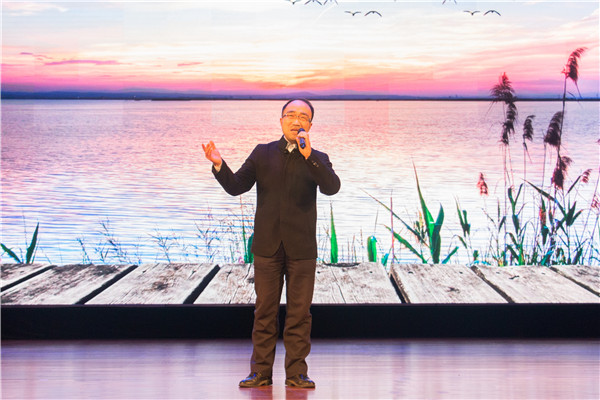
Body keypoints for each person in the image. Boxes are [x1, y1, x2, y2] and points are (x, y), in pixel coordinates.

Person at [202, 99, 340, 389]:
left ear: (310, 125)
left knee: (299, 314)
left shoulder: (318, 157)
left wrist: (309, 155)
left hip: (302, 249)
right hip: (267, 247)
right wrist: (218, 164)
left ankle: (297, 374)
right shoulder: (262, 153)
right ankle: (260, 373)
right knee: (264, 313)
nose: (296, 120)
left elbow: (332, 187)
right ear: (281, 121)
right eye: (290, 115)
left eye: (303, 117)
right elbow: (236, 186)